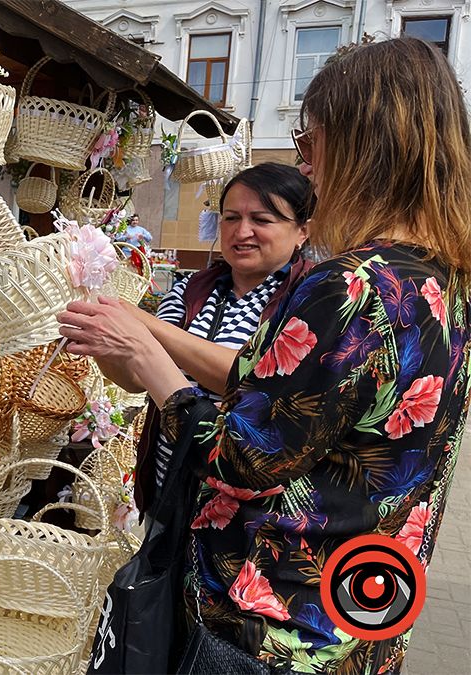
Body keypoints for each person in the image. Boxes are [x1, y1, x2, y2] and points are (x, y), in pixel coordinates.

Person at [59, 37, 471, 672]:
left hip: (272, 625)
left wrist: (154, 368)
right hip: (361, 613)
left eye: (311, 144)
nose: (308, 169)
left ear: (364, 145)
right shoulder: (443, 282)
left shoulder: (350, 287)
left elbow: (241, 458)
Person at [102, 163, 315, 512]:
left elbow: (248, 376)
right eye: (230, 218)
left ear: (302, 231)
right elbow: (137, 379)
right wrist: (103, 342)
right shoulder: (194, 289)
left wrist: (141, 322)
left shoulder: (306, 299)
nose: (241, 231)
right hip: (167, 485)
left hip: (240, 508)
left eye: (261, 220)